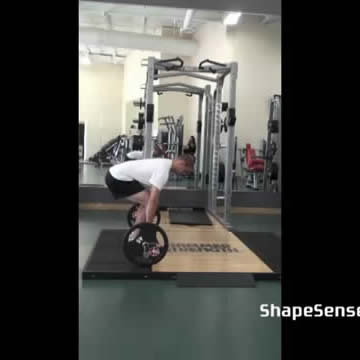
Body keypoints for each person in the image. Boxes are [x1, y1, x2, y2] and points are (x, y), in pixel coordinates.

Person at [105, 154, 194, 225]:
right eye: (185, 171)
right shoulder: (163, 170)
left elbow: (151, 194)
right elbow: (153, 199)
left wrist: (143, 209)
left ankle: (138, 229)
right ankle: (140, 233)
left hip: (116, 174)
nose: (184, 174)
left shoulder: (165, 163)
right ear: (181, 163)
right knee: (149, 201)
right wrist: (150, 225)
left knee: (147, 201)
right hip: (117, 178)